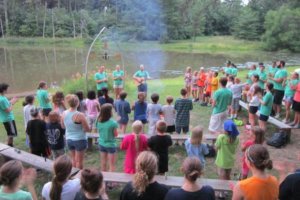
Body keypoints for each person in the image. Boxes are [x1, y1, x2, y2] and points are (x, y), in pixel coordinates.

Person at [62, 94, 90, 169]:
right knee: (79, 161)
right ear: (78, 103)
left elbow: (63, 126)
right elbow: (87, 129)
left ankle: (73, 176)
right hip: (79, 139)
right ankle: (78, 178)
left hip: (69, 139)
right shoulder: (80, 115)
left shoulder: (64, 113)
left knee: (73, 159)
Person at [97, 103, 118, 172]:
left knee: (103, 163)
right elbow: (116, 135)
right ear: (110, 112)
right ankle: (111, 182)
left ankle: (103, 179)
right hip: (111, 145)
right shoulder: (113, 123)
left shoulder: (98, 120)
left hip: (101, 144)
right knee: (112, 165)